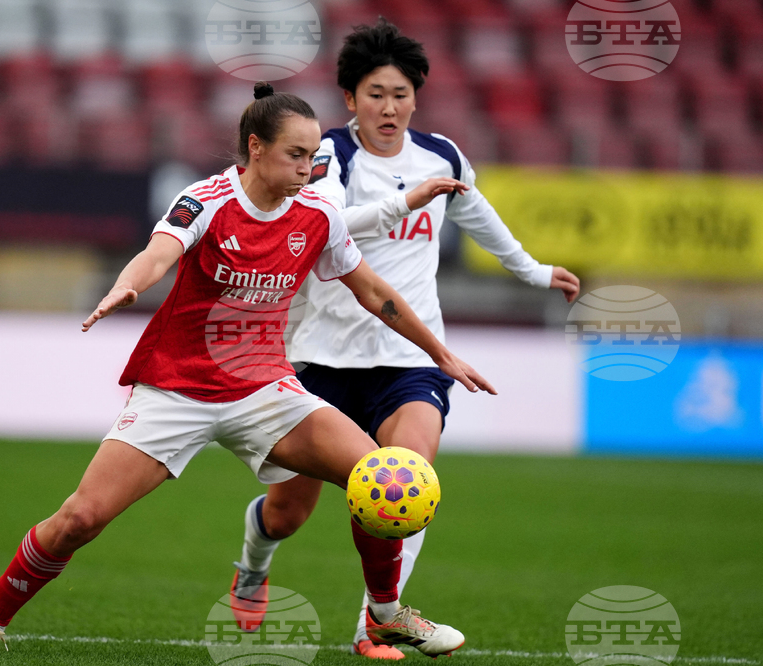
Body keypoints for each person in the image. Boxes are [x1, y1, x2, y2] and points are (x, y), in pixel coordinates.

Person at [0, 82, 496, 656]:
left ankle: (385, 614)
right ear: (256, 148)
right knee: (80, 519)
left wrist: (441, 354)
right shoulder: (206, 200)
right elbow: (160, 250)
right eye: (296, 155)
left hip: (265, 389)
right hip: (178, 390)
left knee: (386, 479)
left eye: (314, 157)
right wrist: (126, 287)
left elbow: (373, 291)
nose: (309, 169)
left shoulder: (319, 215)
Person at [227, 20, 581, 661]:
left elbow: (481, 217)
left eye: (399, 94)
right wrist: (402, 200)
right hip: (323, 361)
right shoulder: (330, 154)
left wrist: (533, 270)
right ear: (350, 100)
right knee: (286, 513)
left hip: (410, 360)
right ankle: (253, 566)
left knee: (406, 485)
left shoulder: (441, 156)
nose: (388, 107)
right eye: (374, 94)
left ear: (416, 96)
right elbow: (329, 221)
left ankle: (375, 622)